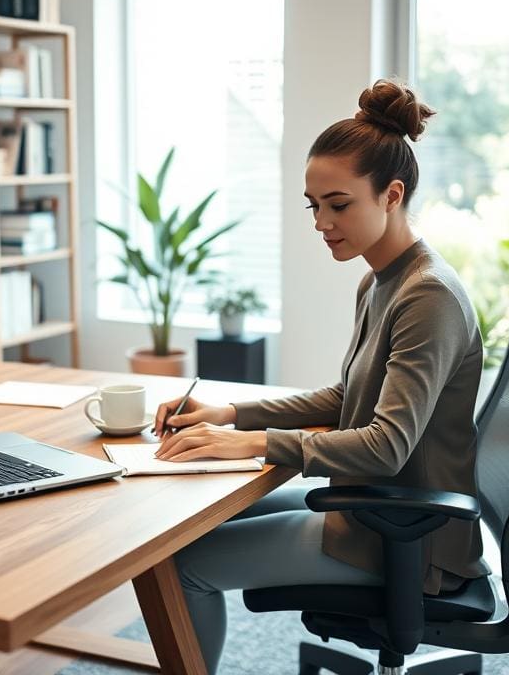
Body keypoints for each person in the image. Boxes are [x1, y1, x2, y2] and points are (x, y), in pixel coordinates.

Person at [153, 78, 489, 674]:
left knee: (180, 569)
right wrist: (230, 416)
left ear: (391, 195)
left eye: (339, 204)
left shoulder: (426, 296)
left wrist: (252, 444)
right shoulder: (382, 278)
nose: (322, 222)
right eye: (314, 206)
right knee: (198, 527)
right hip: (381, 508)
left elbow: (386, 446)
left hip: (405, 535)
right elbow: (346, 399)